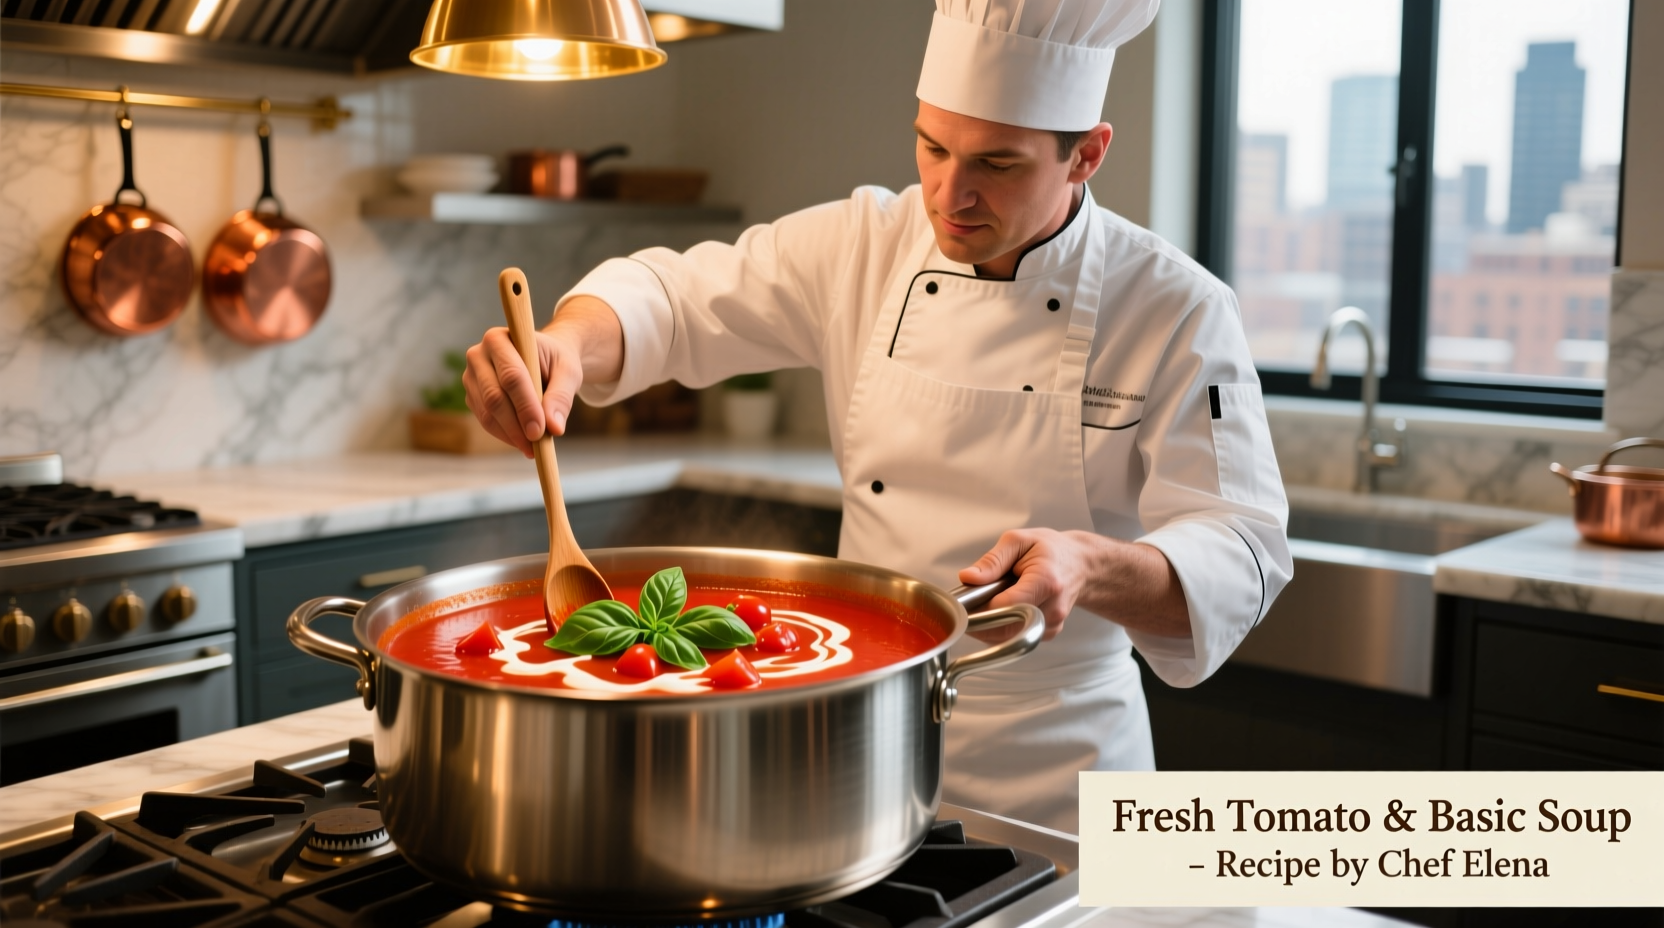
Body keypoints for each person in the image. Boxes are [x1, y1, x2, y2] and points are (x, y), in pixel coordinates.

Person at [463, 0, 1292, 834]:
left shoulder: (1174, 307)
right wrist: (566, 344)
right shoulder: (866, 242)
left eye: (997, 164)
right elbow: (676, 301)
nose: (950, 192)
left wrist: (1089, 563)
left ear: (1086, 155)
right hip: (864, 747)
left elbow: (1241, 550)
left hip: (1063, 770)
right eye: (932, 146)